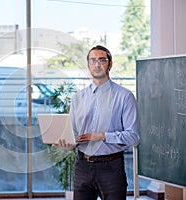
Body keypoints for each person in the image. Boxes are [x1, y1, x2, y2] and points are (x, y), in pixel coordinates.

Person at [54, 45, 140, 200]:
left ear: (110, 64)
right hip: (82, 166)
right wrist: (68, 145)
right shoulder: (78, 98)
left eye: (102, 60)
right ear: (88, 65)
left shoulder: (124, 96)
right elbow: (74, 134)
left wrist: (102, 136)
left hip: (111, 168)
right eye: (93, 60)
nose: (97, 64)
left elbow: (133, 136)